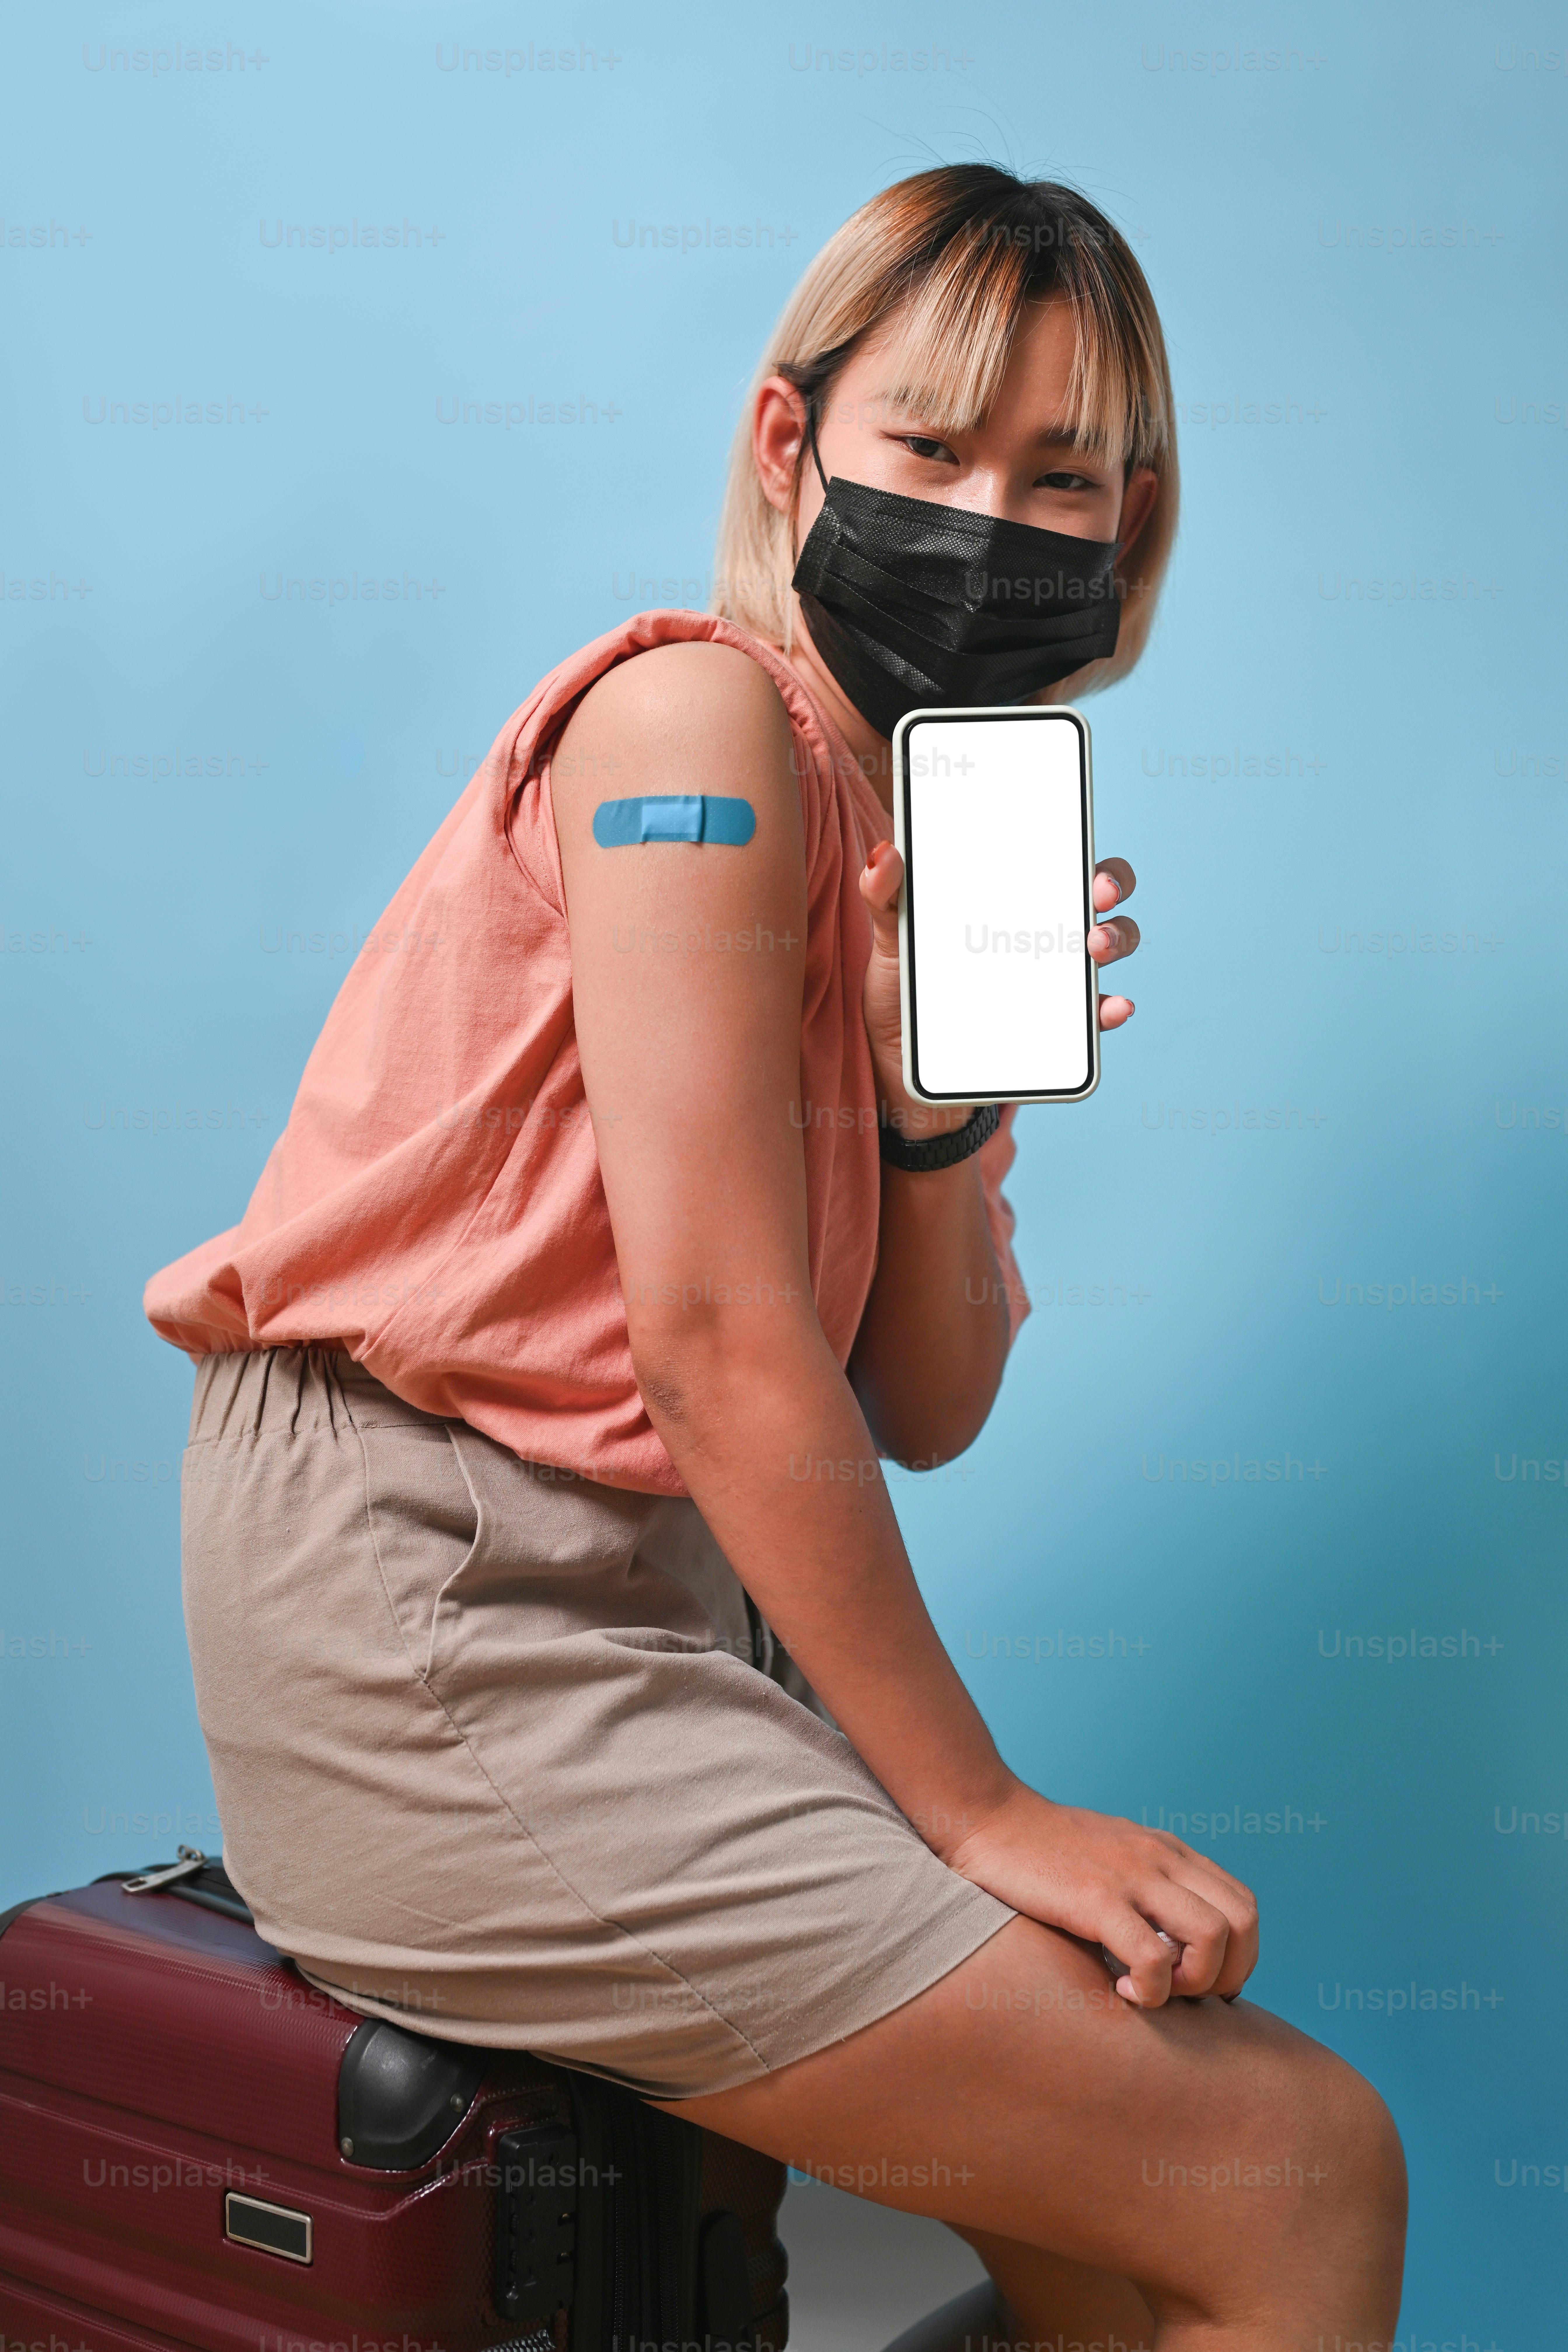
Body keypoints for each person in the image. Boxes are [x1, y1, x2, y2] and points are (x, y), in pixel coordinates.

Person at [145, 165, 1405, 2350]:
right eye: (930, 449)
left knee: (1128, 2242)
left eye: (1065, 477)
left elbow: (923, 1407)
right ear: (785, 443)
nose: (993, 520)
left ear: (1134, 526)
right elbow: (722, 1340)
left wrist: (932, 1115)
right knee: (1303, 2169)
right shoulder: (691, 731)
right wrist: (981, 1806)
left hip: (670, 1606)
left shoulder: (910, 840)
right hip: (435, 1613)